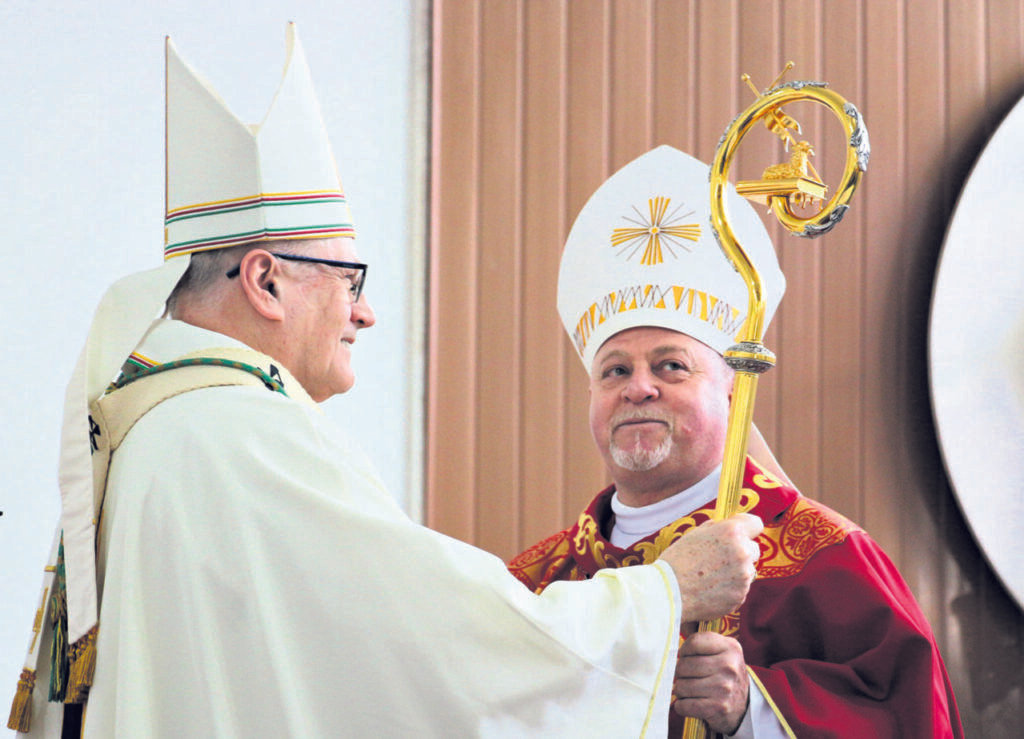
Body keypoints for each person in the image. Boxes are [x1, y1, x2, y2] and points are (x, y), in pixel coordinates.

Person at [6, 27, 765, 737]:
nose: (366, 313)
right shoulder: (243, 436)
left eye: (670, 364)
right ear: (266, 282)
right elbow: (443, 647)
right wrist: (664, 594)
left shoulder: (159, 430)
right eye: (349, 280)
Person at [509, 145, 964, 738]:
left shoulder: (824, 557)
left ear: (730, 392)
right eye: (614, 371)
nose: (638, 387)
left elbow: (913, 721)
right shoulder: (537, 580)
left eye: (671, 366)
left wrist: (752, 708)